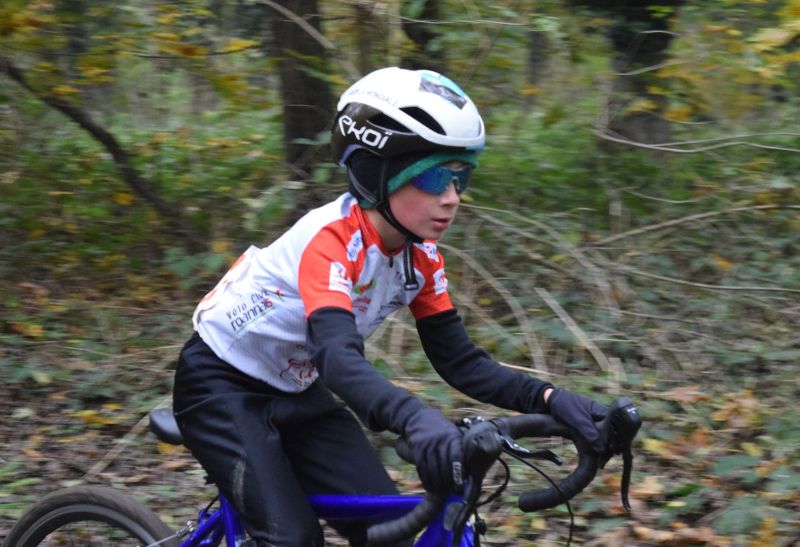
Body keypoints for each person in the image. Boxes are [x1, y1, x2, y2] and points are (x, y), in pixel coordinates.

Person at [173, 67, 608, 546]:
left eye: (460, 177)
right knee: (293, 539)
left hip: (295, 391)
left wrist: (550, 399)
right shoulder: (330, 241)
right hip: (220, 386)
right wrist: (413, 417)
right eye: (434, 177)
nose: (452, 198)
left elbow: (459, 361)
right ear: (374, 172)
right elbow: (336, 358)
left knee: (387, 533)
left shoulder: (419, 257)